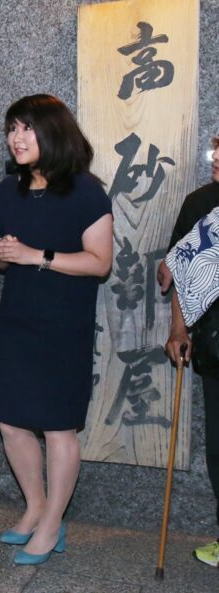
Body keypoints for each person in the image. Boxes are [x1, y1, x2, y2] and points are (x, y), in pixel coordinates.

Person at [0, 94, 113, 565]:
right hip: (17, 319)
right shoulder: (8, 190)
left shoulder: (85, 192)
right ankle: (34, 507)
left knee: (59, 427)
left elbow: (101, 262)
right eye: (12, 128)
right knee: (10, 420)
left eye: (27, 128)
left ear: (53, 133)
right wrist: (1, 253)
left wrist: (38, 255)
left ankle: (54, 520)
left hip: (63, 324)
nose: (16, 137)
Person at [159, 135, 219, 569]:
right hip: (215, 345)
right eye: (217, 146)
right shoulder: (202, 203)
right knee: (218, 448)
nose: (216, 156)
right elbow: (179, 266)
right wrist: (179, 327)